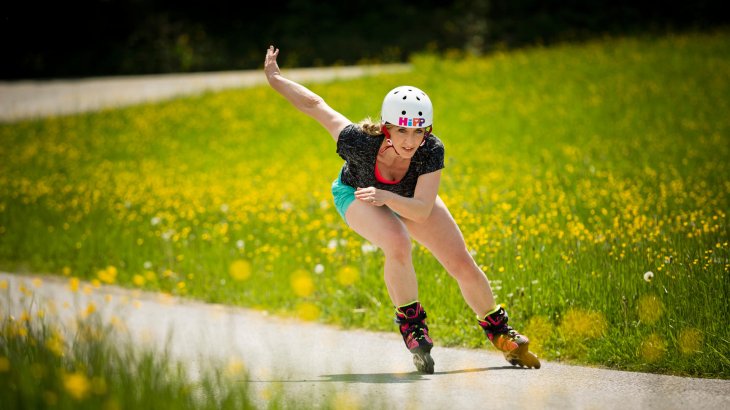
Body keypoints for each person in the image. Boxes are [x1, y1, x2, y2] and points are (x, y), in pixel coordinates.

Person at [264, 45, 540, 373]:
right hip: (357, 193)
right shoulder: (358, 141)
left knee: (460, 261)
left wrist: (388, 196)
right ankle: (412, 327)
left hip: (405, 198)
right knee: (397, 242)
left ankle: (499, 332)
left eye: (419, 131)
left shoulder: (430, 151)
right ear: (386, 128)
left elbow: (421, 211)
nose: (410, 140)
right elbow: (316, 105)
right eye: (402, 130)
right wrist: (276, 78)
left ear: (428, 131)